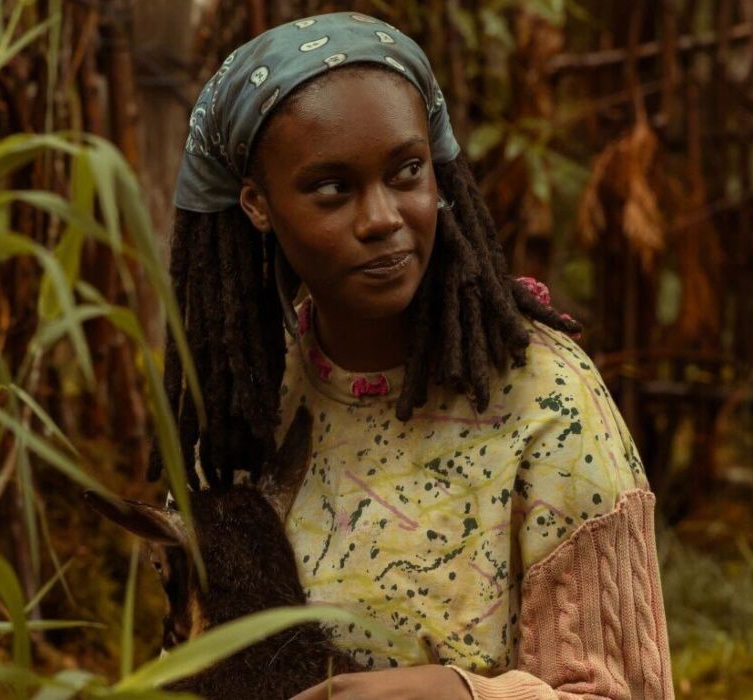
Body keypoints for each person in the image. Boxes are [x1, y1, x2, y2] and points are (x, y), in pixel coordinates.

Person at [151, 12, 674, 699]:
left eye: (406, 171)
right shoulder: (240, 411)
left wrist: (460, 692)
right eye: (333, 188)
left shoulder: (547, 403)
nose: (382, 218)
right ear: (258, 204)